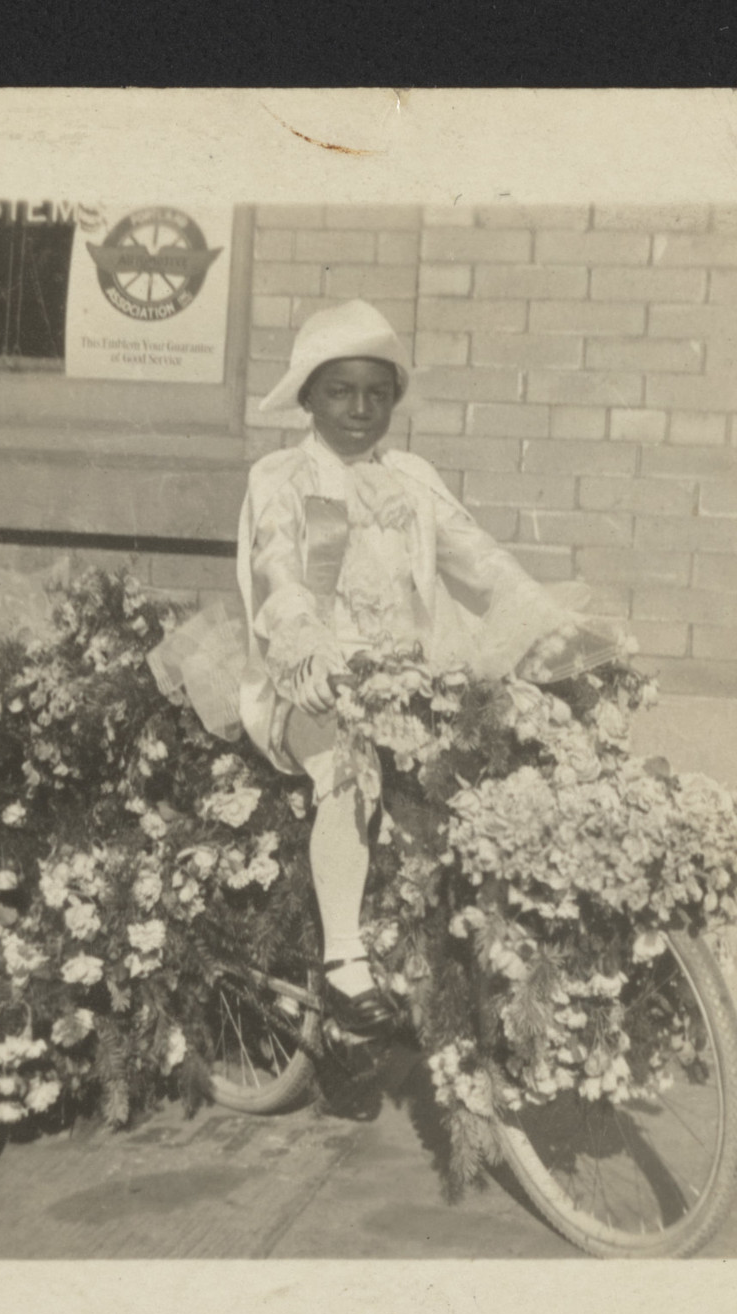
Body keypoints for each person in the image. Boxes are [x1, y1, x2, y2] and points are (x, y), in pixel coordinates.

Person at [230, 300, 580, 1033]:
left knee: (486, 767)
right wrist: (303, 643)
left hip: (408, 683)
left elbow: (478, 557)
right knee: (347, 763)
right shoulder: (282, 478)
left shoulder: (411, 479)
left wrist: (543, 617)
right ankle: (343, 961)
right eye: (340, 391)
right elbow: (276, 567)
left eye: (377, 393)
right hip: (313, 684)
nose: (360, 409)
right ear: (307, 397)